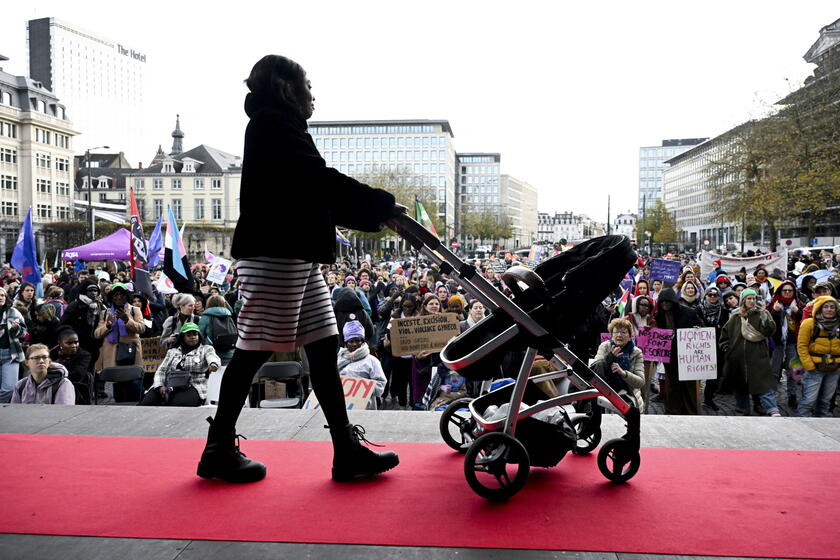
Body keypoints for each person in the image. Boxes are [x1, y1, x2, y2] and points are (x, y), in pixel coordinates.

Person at [198, 55, 400, 485]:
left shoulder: (278, 126)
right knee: (253, 349)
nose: (313, 94)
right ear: (287, 88)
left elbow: (314, 191)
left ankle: (345, 451)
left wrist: (374, 210)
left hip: (294, 255)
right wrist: (379, 205)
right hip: (277, 254)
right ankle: (216, 450)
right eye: (307, 85)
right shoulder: (274, 126)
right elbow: (318, 181)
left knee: (325, 348)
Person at [720, 289, 780, 416]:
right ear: (743, 300)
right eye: (749, 298)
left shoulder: (762, 314)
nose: (752, 301)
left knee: (763, 384)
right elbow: (725, 335)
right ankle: (743, 408)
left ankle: (772, 408)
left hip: (758, 357)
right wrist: (727, 348)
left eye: (753, 298)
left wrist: (764, 314)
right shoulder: (736, 317)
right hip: (738, 358)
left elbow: (769, 330)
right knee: (740, 385)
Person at [141, 322, 220, 406]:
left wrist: (213, 364)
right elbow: (161, 370)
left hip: (193, 385)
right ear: (183, 337)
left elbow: (213, 357)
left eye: (195, 334)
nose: (193, 337)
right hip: (169, 385)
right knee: (146, 403)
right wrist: (160, 386)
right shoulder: (172, 351)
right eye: (189, 335)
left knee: (176, 405)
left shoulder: (206, 349)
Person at [655, 288, 703, 414]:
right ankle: (673, 410)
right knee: (672, 385)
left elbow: (701, 327)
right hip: (670, 357)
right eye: (662, 302)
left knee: (689, 384)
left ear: (673, 302)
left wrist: (698, 329)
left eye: (667, 302)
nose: (665, 304)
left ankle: (690, 410)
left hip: (687, 356)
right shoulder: (659, 315)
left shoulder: (689, 313)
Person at [94, 283, 145, 402]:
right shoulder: (105, 313)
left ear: (126, 296)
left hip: (130, 354)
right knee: (118, 389)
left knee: (133, 387)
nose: (118, 298)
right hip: (113, 356)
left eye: (122, 295)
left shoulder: (134, 310)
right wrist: (108, 325)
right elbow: (97, 334)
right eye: (115, 295)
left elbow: (141, 329)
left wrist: (127, 320)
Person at [795, 296, 840, 417]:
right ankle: (799, 424)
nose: (829, 309)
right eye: (825, 307)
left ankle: (822, 424)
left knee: (825, 401)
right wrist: (810, 366)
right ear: (819, 309)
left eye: (832, 307)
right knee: (808, 401)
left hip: (834, 368)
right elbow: (802, 346)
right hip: (815, 368)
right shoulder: (809, 323)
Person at [592, 318, 645, 412]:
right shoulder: (605, 347)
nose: (619, 335)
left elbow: (640, 382)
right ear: (612, 335)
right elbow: (596, 369)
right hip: (606, 395)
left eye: (623, 332)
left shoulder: (636, 352)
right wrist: (610, 357)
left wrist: (624, 373)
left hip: (630, 398)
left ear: (630, 336)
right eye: (616, 332)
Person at [336, 320, 386, 409]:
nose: (355, 344)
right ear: (346, 343)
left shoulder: (372, 361)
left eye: (358, 340)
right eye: (351, 341)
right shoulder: (338, 359)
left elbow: (381, 384)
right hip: (342, 407)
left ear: (362, 341)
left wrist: (362, 388)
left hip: (365, 407)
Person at [769, 280, 804, 408]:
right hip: (777, 343)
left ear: (794, 292)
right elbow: (769, 324)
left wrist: (797, 312)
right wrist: (775, 311)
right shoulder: (774, 303)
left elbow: (805, 321)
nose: (787, 293)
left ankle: (792, 396)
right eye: (785, 290)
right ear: (780, 291)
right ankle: (771, 398)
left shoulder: (799, 304)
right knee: (774, 371)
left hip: (793, 343)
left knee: (794, 371)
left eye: (790, 290)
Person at [10, 344, 75, 405]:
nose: (41, 361)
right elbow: (14, 412)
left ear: (49, 361)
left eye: (44, 357)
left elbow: (63, 413)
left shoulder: (63, 383)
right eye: (36, 358)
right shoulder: (20, 386)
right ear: (27, 362)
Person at [50, 327, 93, 405]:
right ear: (60, 343)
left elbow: (77, 375)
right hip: (51, 388)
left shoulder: (84, 355)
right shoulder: (51, 354)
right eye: (69, 343)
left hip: (76, 391)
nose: (74, 345)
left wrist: (55, 375)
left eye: (76, 342)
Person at [698, 286, 725, 411]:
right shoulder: (699, 309)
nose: (713, 297)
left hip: (717, 347)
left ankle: (708, 398)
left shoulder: (723, 311)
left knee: (714, 376)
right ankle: (694, 398)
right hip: (700, 346)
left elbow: (725, 329)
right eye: (710, 295)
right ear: (705, 296)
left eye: (715, 295)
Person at [0, 289, 28, 403]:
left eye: (2, 295)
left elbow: (24, 333)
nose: (0, 297)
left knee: (9, 389)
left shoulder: (13, 312)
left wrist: (17, 328)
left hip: (10, 355)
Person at [198, 294, 237, 360]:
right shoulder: (228, 316)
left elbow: (200, 336)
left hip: (212, 354)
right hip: (230, 353)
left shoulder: (205, 317)